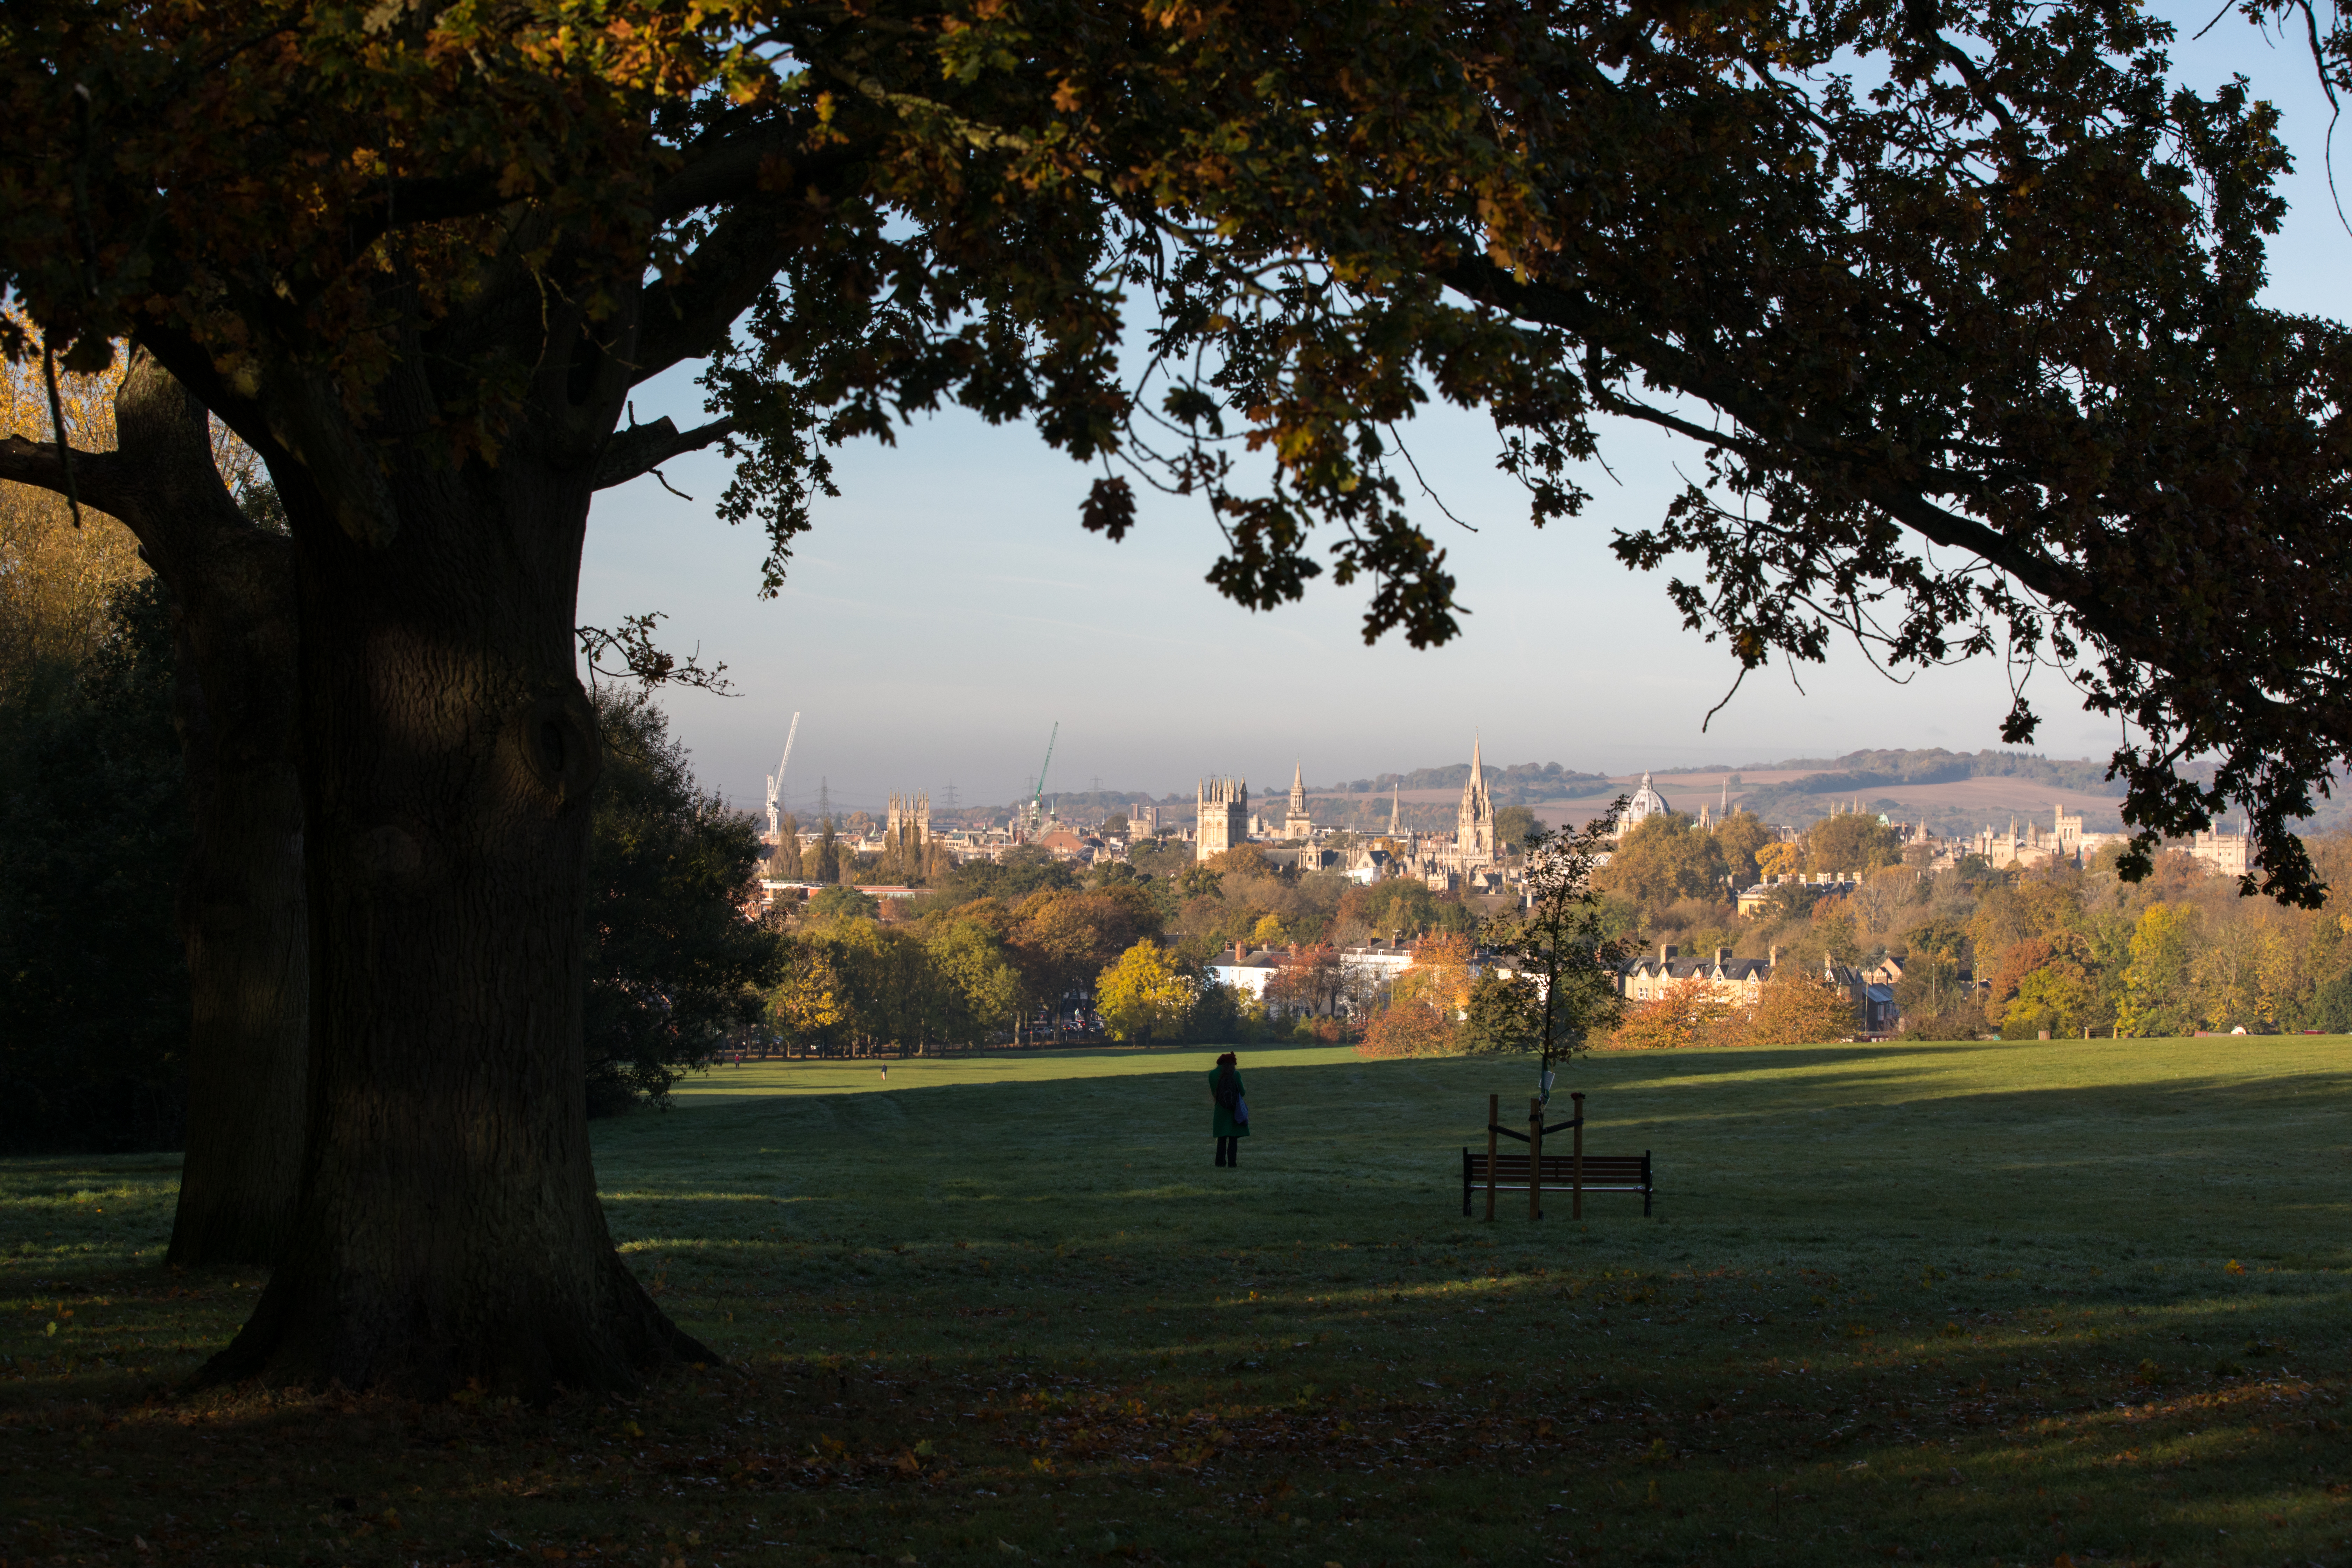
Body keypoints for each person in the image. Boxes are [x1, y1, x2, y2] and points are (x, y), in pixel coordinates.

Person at [1209, 1051, 1249, 1168]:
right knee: (1233, 1138)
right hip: (1234, 1110)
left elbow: (1214, 1094)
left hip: (1220, 1110)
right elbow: (1243, 1092)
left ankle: (1220, 1163)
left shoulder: (1212, 1074)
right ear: (1232, 1064)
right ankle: (1232, 1164)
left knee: (1221, 1138)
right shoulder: (1235, 1074)